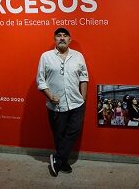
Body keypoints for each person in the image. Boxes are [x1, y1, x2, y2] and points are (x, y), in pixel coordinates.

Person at [36, 27, 89, 177]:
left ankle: (57, 159)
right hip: (56, 104)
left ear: (69, 39)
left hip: (76, 103)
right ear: (55, 39)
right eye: (58, 35)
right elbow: (40, 81)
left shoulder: (78, 56)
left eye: (65, 36)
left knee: (74, 131)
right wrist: (49, 95)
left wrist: (83, 98)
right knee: (59, 135)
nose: (62, 38)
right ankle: (62, 162)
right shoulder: (46, 57)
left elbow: (84, 77)